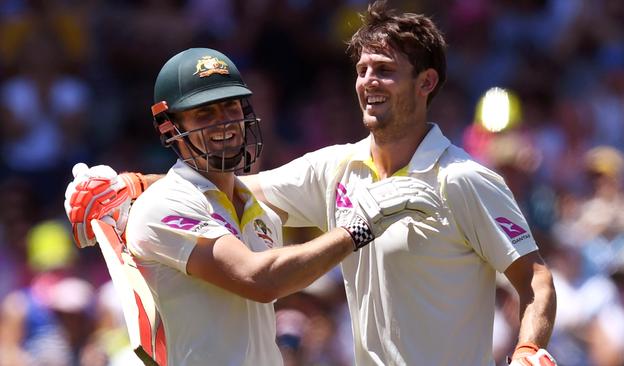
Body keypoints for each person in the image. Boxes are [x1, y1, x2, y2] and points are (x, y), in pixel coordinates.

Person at [65, 2, 557, 365]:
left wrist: (530, 348)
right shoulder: (335, 170)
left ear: (426, 82)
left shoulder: (465, 180)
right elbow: (223, 193)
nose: (368, 82)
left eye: (385, 71)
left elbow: (533, 278)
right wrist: (135, 182)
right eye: (362, 70)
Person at [64, 45, 440, 366]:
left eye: (230, 107)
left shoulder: (256, 210)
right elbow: (259, 279)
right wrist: (359, 228)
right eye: (204, 114)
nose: (223, 123)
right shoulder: (163, 207)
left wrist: (137, 181)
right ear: (169, 129)